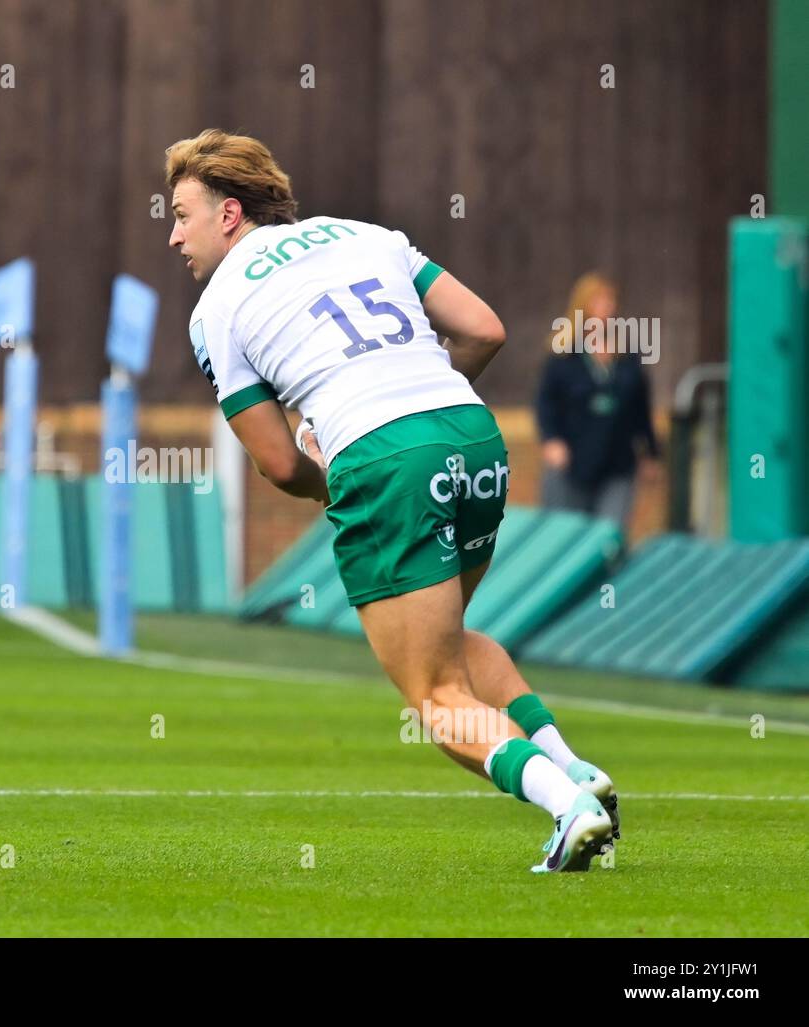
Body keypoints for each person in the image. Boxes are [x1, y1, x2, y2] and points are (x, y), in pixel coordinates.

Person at [165, 129, 618, 872]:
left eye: (183, 214)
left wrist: (336, 473)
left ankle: (568, 805)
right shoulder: (366, 233)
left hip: (384, 460)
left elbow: (279, 464)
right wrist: (424, 400)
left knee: (435, 696)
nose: (175, 235)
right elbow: (485, 328)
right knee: (451, 644)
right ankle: (569, 763)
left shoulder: (215, 311)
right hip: (473, 436)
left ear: (231, 214)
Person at [536, 272, 662, 531]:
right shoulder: (563, 356)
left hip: (617, 463)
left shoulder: (627, 358)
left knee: (609, 536)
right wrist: (551, 440)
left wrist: (650, 452)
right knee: (566, 535)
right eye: (598, 302)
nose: (605, 309)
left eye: (609, 302)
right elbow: (546, 403)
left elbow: (640, 409)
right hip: (572, 463)